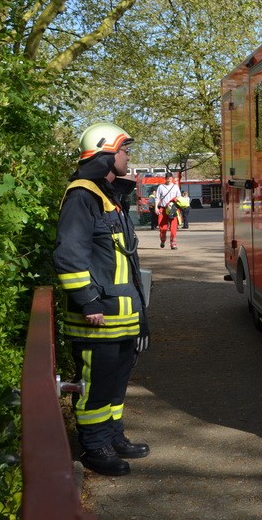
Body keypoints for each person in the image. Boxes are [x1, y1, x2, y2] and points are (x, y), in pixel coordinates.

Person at [53, 123, 150, 477]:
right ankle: (95, 446)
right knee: (95, 385)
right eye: (124, 151)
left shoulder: (109, 195)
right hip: (98, 317)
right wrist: (88, 300)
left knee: (115, 382)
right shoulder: (83, 197)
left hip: (121, 316)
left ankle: (112, 435)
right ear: (106, 153)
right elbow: (69, 255)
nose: (128, 157)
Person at [153, 172, 180, 249]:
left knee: (173, 228)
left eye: (170, 178)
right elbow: (157, 198)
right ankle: (163, 240)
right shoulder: (161, 187)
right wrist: (156, 207)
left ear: (172, 179)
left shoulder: (175, 187)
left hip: (172, 209)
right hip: (163, 209)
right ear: (165, 178)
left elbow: (179, 197)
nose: (169, 180)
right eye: (167, 178)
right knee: (162, 228)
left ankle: (173, 243)